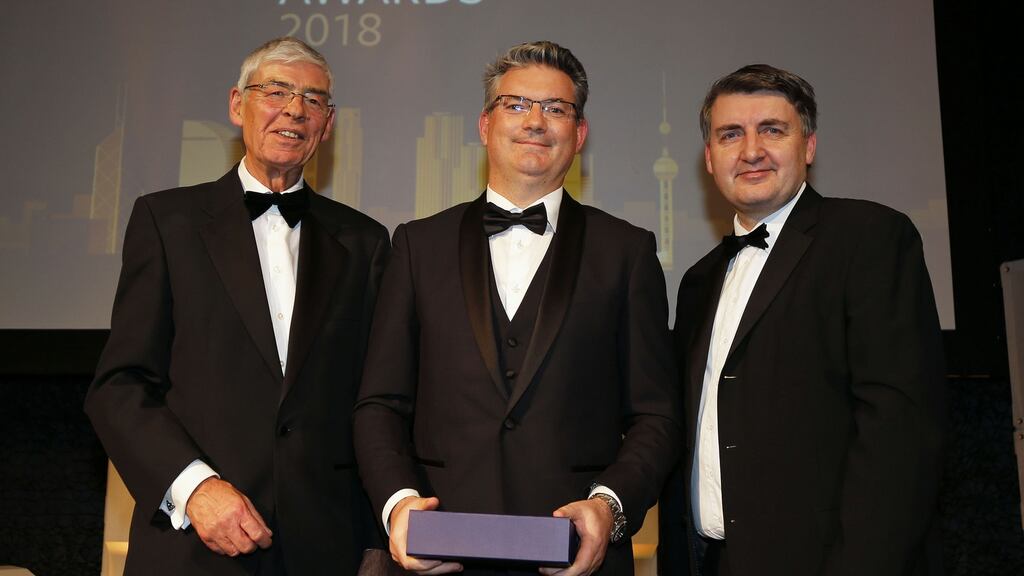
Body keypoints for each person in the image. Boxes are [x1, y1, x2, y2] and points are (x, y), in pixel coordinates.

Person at [353, 40, 680, 576]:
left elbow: (655, 414)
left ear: (580, 133)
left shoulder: (627, 251)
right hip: (437, 557)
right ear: (485, 125)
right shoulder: (417, 245)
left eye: (556, 108)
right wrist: (398, 504)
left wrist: (610, 507)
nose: (536, 121)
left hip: (576, 559)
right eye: (517, 104)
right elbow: (379, 404)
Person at [85, 37, 389, 575]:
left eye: (313, 100)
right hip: (193, 550)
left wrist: (374, 543)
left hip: (325, 553)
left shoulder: (364, 242)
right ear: (236, 105)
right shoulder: (167, 222)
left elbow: (375, 402)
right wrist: (195, 487)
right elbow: (121, 386)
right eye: (276, 91)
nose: (295, 109)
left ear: (329, 122)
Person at [657, 64, 946, 576]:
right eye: (731, 135)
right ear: (709, 158)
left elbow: (899, 437)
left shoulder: (870, 238)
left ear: (808, 146)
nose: (751, 151)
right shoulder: (699, 281)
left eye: (772, 129)